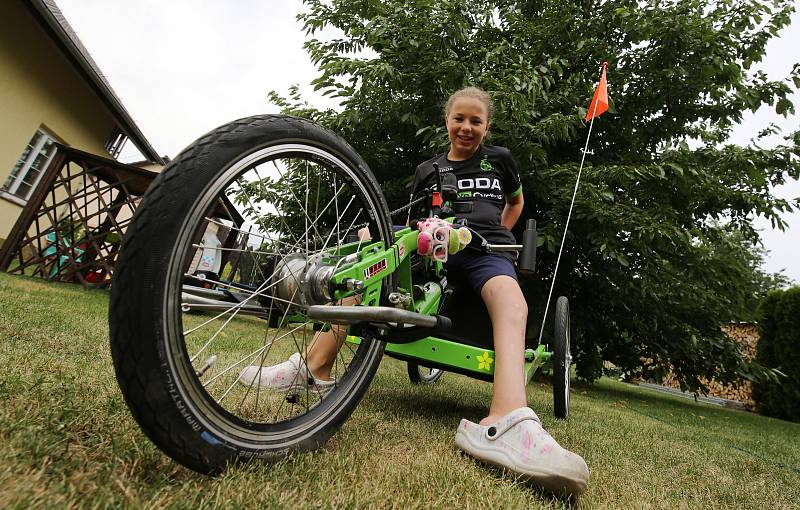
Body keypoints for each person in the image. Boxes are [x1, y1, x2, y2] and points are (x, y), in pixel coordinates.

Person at [238, 87, 590, 496]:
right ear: (447, 121)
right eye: (459, 118)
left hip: (484, 249)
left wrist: (500, 235)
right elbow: (413, 219)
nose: (467, 127)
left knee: (513, 304)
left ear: (487, 126)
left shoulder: (501, 160)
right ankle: (314, 368)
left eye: (476, 121)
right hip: (430, 245)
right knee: (369, 270)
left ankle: (506, 417)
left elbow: (516, 202)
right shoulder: (429, 170)